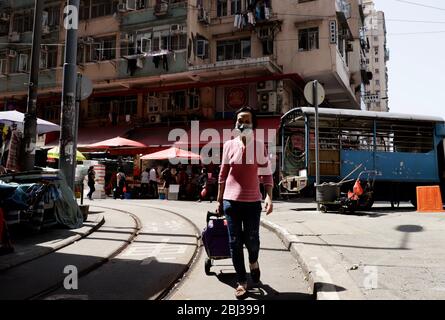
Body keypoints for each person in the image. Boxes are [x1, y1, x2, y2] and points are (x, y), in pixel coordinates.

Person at [216, 106, 274, 299]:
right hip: (230, 202)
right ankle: (241, 281)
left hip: (252, 202)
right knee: (234, 242)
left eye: (247, 120)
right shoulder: (228, 145)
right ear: (235, 123)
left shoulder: (259, 146)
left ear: (253, 124)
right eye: (240, 120)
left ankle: (254, 262)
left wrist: (269, 196)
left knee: (252, 241)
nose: (243, 124)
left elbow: (266, 173)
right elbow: (223, 174)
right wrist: (218, 200)